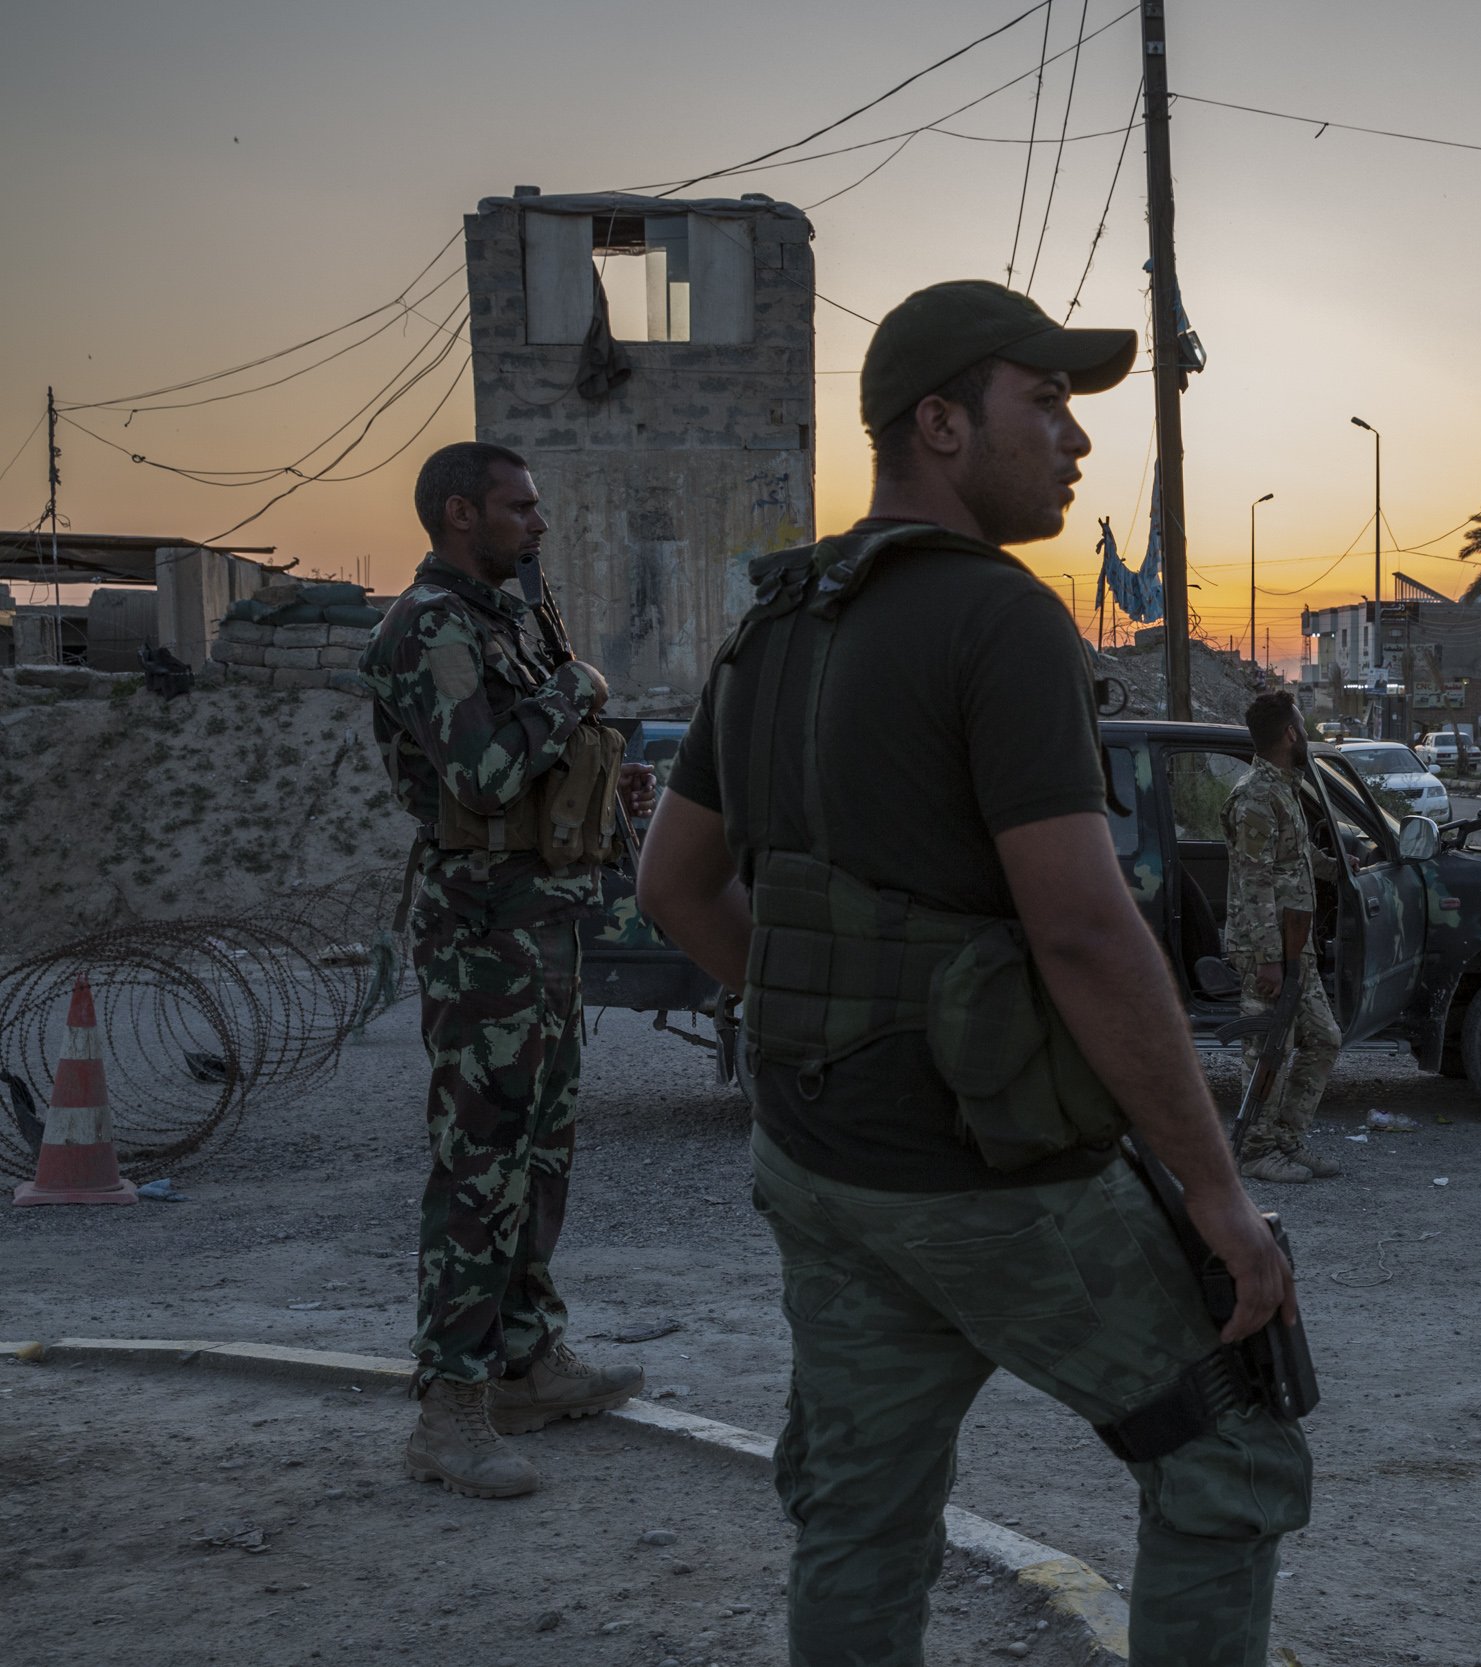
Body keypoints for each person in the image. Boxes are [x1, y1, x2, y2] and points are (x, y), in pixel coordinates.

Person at [633, 279, 1309, 1667]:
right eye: (1045, 402)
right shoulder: (998, 618)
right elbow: (1079, 927)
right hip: (987, 1180)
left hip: (824, 1166)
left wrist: (829, 1021)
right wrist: (1216, 1190)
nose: (1074, 439)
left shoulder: (774, 624)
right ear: (940, 424)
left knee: (861, 1508)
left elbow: (674, 887)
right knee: (1229, 1460)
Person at [362, 442, 655, 1499]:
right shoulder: (425, 627)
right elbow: (483, 773)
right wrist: (573, 687)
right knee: (479, 1161)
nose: (536, 523)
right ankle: (450, 1406)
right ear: (457, 514)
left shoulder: (511, 618)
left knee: (540, 1150)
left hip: (541, 914)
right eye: (517, 507)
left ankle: (527, 1359)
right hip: (482, 925)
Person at [1223, 691, 1346, 1184]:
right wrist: (1270, 959)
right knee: (1269, 1047)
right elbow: (1253, 880)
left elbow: (1290, 858)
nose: (1307, 733)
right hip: (1268, 948)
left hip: (1298, 945)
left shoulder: (1283, 787)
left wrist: (1340, 870)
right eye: (1302, 723)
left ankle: (1287, 1143)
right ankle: (1255, 1152)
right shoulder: (1254, 795)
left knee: (1323, 1039)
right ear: (1290, 733)